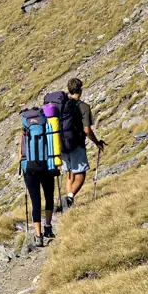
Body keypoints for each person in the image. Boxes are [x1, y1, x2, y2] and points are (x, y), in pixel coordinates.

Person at [63, 77, 106, 207]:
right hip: (77, 144)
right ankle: (69, 198)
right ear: (80, 89)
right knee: (80, 174)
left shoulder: (63, 105)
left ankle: (68, 203)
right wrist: (97, 142)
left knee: (69, 173)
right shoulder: (84, 107)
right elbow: (87, 130)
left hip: (63, 144)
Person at [19, 136, 55, 247]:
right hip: (46, 166)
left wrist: (23, 166)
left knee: (36, 201)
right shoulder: (46, 127)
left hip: (29, 168)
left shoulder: (25, 131)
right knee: (49, 196)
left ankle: (39, 236)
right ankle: (48, 227)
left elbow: (21, 153)